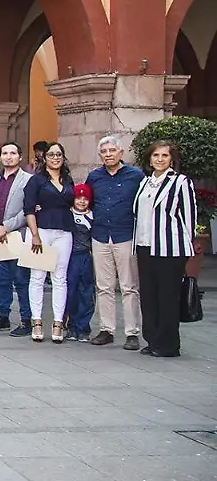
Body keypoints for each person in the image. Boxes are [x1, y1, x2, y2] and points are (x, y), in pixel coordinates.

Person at [132, 140, 196, 358]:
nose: (159, 159)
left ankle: (168, 344)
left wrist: (188, 248)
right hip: (144, 246)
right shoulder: (144, 183)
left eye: (164, 156)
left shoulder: (180, 182)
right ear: (150, 159)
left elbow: (189, 218)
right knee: (149, 296)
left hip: (170, 249)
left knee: (167, 296)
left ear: (171, 159)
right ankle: (152, 340)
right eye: (156, 155)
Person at [86, 135, 145, 349]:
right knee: (103, 286)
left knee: (129, 286)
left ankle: (132, 333)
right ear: (100, 155)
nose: (108, 155)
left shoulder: (136, 176)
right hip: (100, 234)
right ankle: (106, 329)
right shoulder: (94, 176)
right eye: (104, 152)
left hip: (125, 235)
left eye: (112, 151)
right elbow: (87, 203)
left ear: (121, 153)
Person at [24, 141, 75, 344]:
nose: (55, 158)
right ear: (44, 158)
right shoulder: (36, 181)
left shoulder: (68, 180)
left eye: (59, 155)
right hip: (42, 231)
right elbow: (28, 209)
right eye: (51, 155)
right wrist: (35, 235)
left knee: (60, 278)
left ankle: (57, 323)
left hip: (64, 232)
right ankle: (37, 322)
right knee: (37, 277)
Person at [0, 142, 34, 335]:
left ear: (20, 157)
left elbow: (28, 209)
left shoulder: (28, 180)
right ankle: (2, 317)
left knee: (21, 280)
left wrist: (7, 226)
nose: (8, 156)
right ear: (0, 158)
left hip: (16, 236)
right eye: (4, 153)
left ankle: (26, 320)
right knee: (0, 280)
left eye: (12, 153)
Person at [65, 184, 96, 342]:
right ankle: (71, 325)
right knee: (71, 292)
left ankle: (84, 326)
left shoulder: (92, 216)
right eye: (79, 198)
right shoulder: (67, 214)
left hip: (86, 256)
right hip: (71, 257)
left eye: (85, 199)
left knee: (86, 291)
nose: (82, 202)